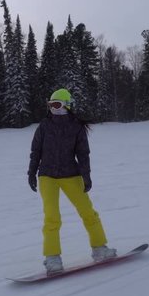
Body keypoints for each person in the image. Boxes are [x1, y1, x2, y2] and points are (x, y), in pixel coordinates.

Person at [28, 88, 117, 274]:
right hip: (47, 176)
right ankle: (52, 258)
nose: (53, 108)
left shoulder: (76, 127)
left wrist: (86, 175)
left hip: (71, 174)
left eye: (57, 104)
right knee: (52, 218)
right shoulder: (44, 126)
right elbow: (36, 151)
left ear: (67, 106)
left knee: (88, 213)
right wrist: (31, 173)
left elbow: (83, 154)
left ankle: (100, 248)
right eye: (51, 105)